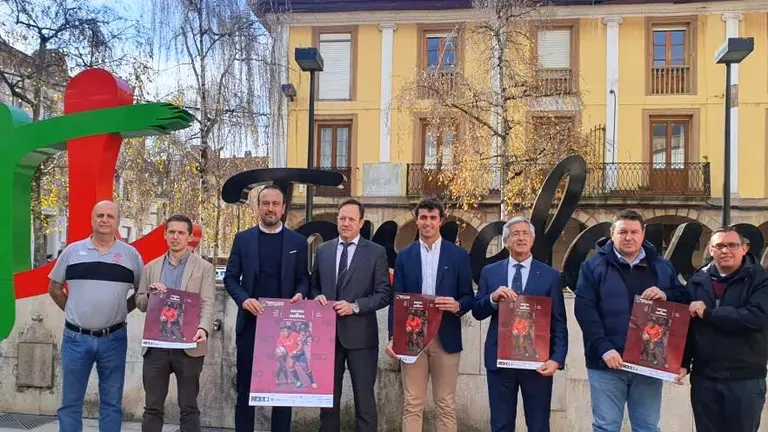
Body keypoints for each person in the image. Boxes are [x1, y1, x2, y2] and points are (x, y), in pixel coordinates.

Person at [574, 209, 687, 432]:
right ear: (612, 233)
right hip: (606, 363)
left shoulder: (662, 266)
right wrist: (604, 348)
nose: (628, 237)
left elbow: (682, 299)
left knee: (647, 427)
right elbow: (585, 311)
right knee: (606, 427)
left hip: (649, 363)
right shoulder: (593, 266)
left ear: (643, 234)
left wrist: (665, 295)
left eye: (634, 232)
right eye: (622, 232)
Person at [47, 200, 144, 432]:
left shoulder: (131, 256)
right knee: (70, 403)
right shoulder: (72, 252)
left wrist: (120, 310)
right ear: (92, 220)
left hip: (114, 339)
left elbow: (141, 293)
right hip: (75, 338)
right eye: (100, 215)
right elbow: (55, 288)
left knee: (111, 404)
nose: (104, 220)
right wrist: (74, 311)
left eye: (110, 216)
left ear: (118, 222)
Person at [224, 184, 309, 432]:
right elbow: (231, 278)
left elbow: (304, 278)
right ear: (258, 207)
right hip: (251, 325)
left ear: (283, 208)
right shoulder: (243, 239)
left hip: (285, 328)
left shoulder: (298, 242)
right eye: (265, 203)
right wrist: (243, 299)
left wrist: (300, 293)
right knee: (245, 390)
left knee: (283, 392)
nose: (270, 208)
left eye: (275, 204)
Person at [385, 197, 474, 432]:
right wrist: (393, 337)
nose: (428, 222)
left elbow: (468, 297)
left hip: (446, 336)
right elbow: (397, 300)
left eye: (433, 218)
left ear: (440, 221)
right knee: (412, 403)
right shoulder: (405, 256)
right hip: (412, 336)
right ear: (416, 221)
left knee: (445, 404)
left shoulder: (458, 256)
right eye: (423, 217)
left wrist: (457, 305)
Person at [472, 216, 568, 432]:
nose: (521, 238)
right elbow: (477, 311)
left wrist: (556, 359)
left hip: (537, 362)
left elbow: (559, 322)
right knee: (501, 425)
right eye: (515, 234)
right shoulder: (491, 272)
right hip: (500, 361)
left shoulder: (550, 276)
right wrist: (492, 298)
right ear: (506, 241)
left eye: (525, 234)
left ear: (532, 240)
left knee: (538, 425)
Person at [310, 198, 391, 432]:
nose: (346, 223)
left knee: (364, 403)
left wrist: (355, 306)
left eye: (351, 219)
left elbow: (384, 294)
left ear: (361, 222)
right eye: (342, 218)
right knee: (327, 403)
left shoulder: (376, 252)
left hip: (362, 339)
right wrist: (317, 297)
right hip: (327, 338)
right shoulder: (323, 250)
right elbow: (314, 286)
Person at [677, 227, 768, 432]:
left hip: (744, 379)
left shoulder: (760, 280)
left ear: (744, 248)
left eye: (732, 245)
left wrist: (709, 313)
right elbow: (687, 325)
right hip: (705, 378)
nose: (725, 250)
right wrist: (682, 362)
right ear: (710, 250)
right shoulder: (697, 281)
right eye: (719, 246)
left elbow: (757, 318)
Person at [136, 214, 216, 432]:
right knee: (152, 407)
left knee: (189, 407)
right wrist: (150, 295)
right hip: (156, 346)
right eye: (171, 232)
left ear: (189, 237)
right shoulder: (150, 267)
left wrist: (203, 328)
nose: (175, 236)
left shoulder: (204, 268)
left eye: (181, 233)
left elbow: (208, 303)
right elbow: (140, 302)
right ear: (164, 235)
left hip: (188, 344)